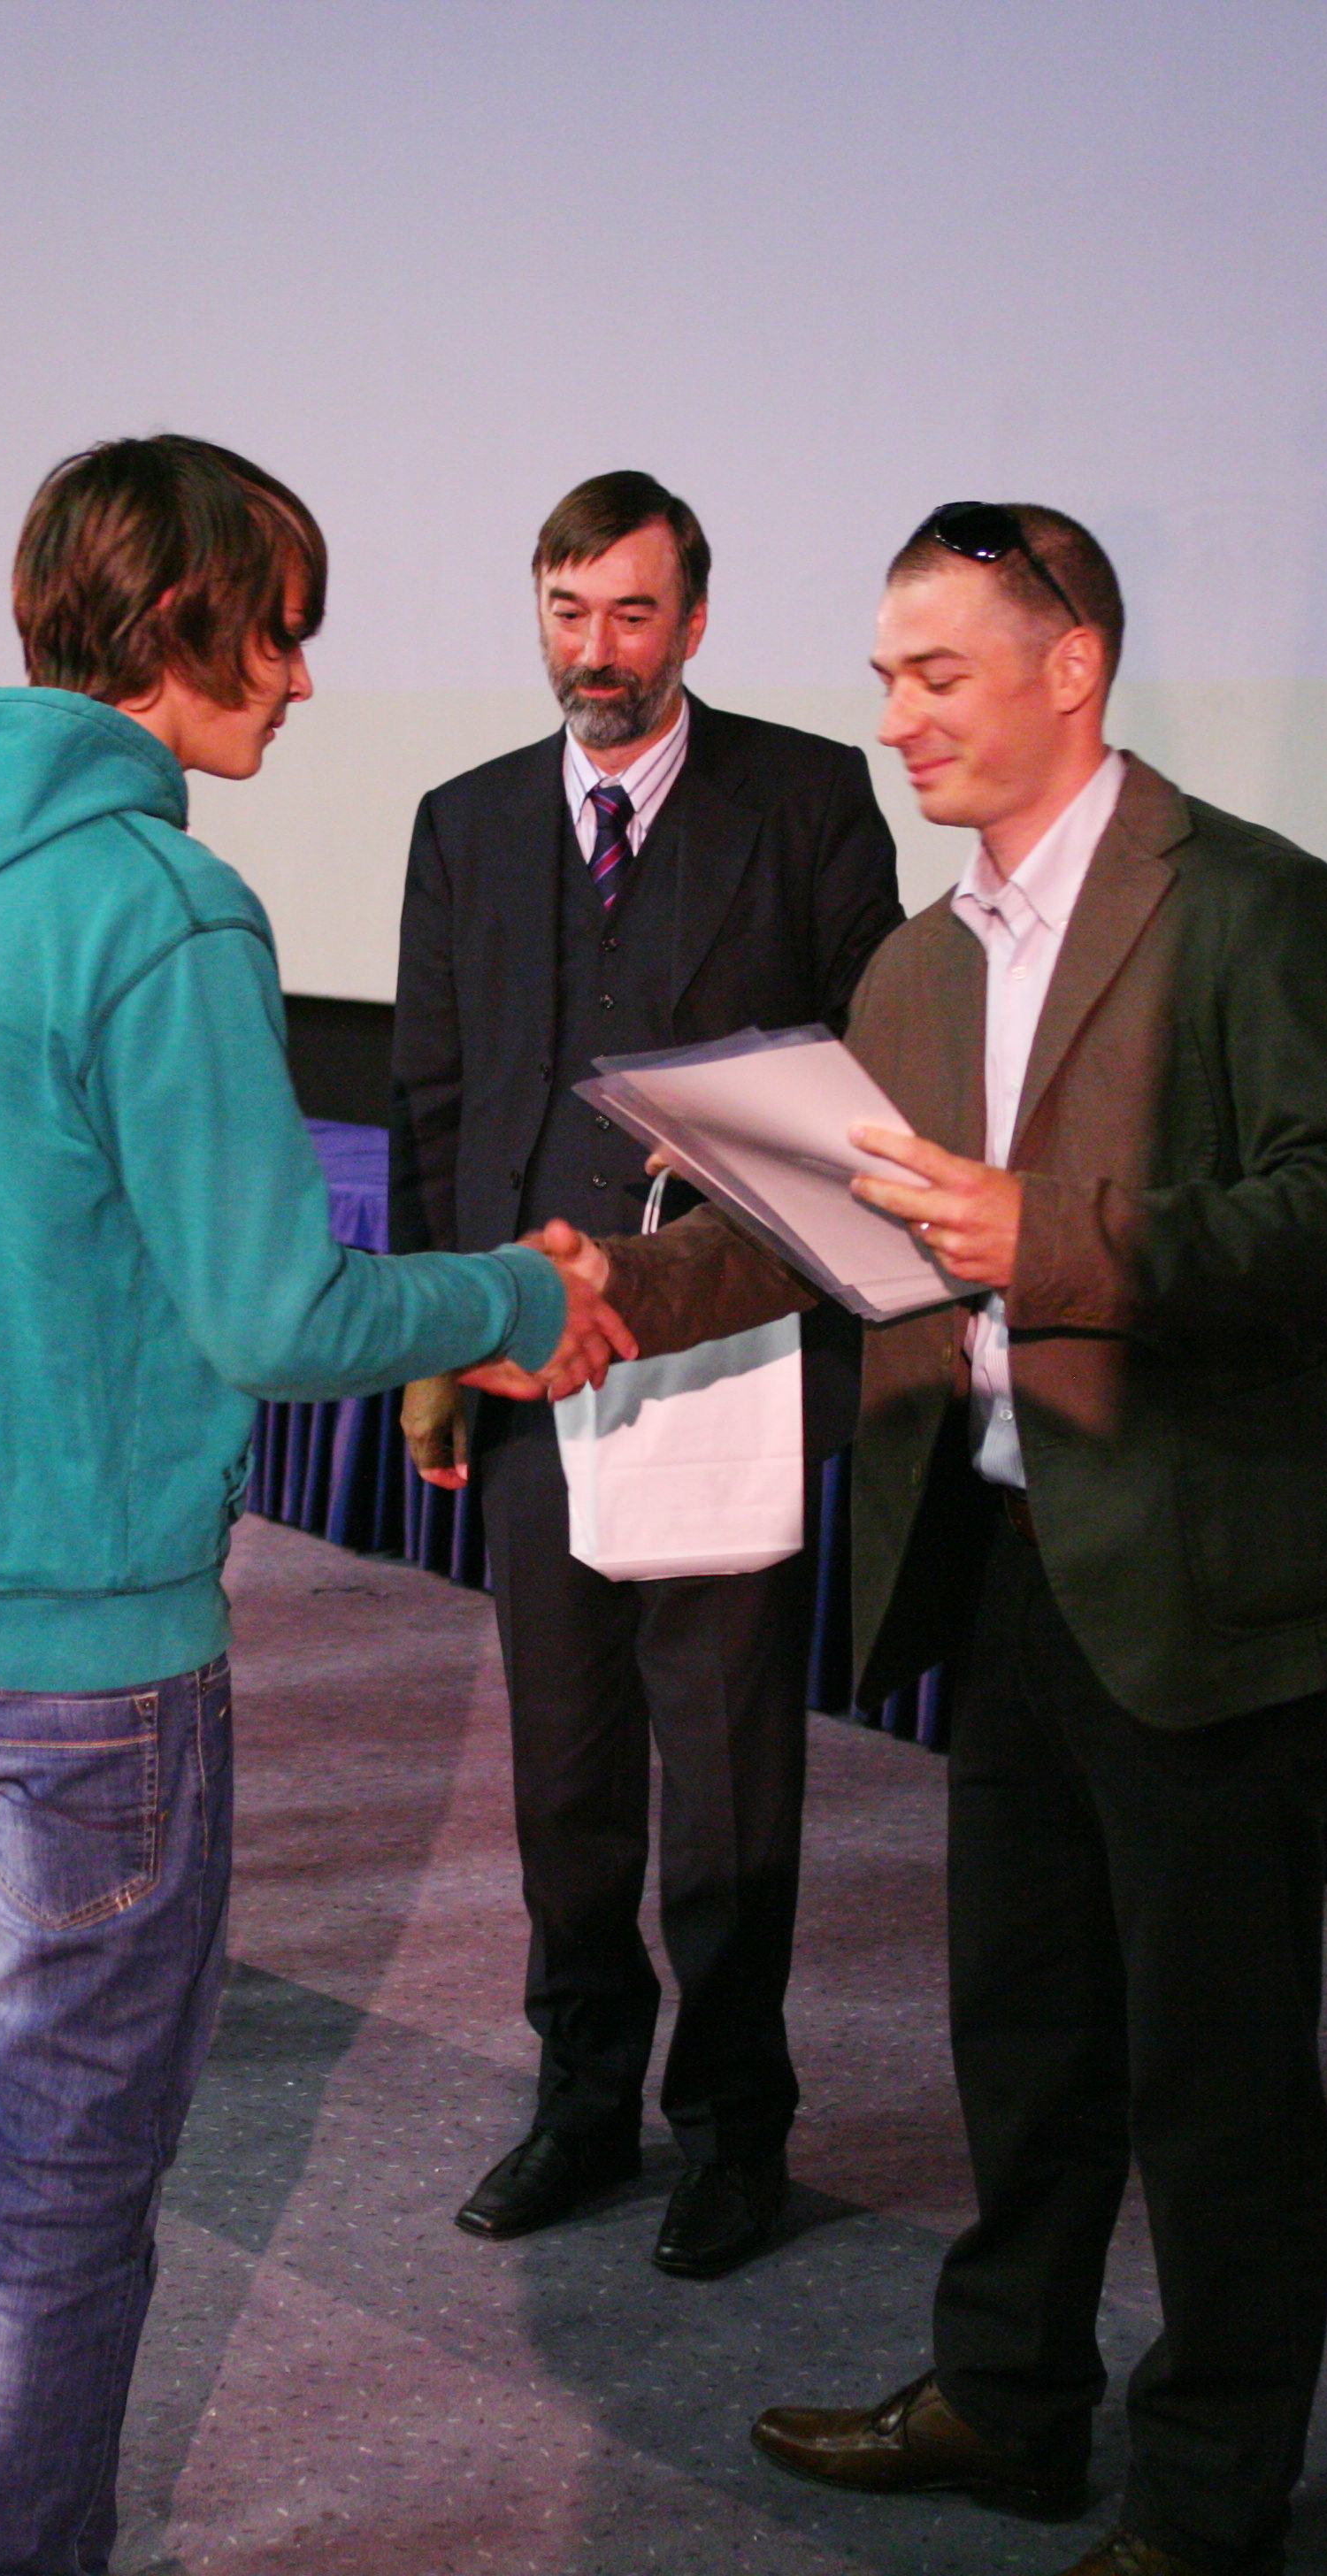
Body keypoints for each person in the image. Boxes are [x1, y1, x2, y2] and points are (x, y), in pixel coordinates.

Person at [0, 434, 629, 2576]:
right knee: (62, 2179)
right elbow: (275, 1310)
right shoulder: (163, 907)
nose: (304, 678)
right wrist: (521, 1295)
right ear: (173, 621)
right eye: (282, 629)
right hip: (92, 1658)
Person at [589, 502, 1327, 2576]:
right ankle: (1013, 2398)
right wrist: (596, 1293)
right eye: (885, 676)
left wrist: (1056, 1237)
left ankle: (1211, 2499)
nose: (896, 717)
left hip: (1205, 1587)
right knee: (1027, 2035)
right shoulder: (916, 958)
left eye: (936, 673)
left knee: (1217, 2081)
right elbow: (817, 1232)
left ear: (1074, 668)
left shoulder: (1255, 903)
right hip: (1004, 1560)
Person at [389, 470, 900, 2278]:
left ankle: (736, 2126)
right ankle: (581, 2095)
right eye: (564, 611)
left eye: (626, 614)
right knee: (566, 1765)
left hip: (722, 1354)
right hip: (527, 1362)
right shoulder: (463, 821)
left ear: (690, 622)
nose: (591, 651)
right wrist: (435, 1346)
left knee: (730, 1771)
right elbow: (433, 1104)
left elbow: (861, 1090)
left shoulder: (806, 801)